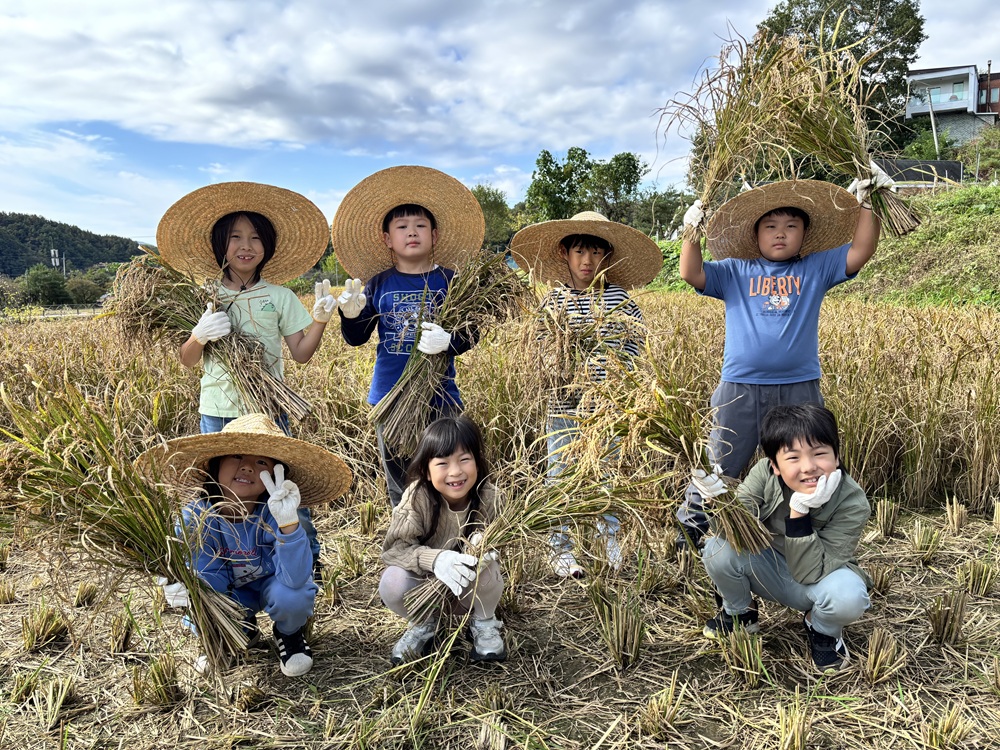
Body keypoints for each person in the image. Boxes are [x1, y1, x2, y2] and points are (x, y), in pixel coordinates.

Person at [675, 172, 893, 550]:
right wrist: (691, 232)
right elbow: (690, 272)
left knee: (804, 463)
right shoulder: (734, 271)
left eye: (791, 226)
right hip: (740, 386)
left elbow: (860, 251)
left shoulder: (815, 268)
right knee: (720, 463)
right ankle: (692, 527)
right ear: (755, 235)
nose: (780, 233)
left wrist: (868, 205)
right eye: (771, 226)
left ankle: (803, 530)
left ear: (803, 235)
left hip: (799, 385)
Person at [157, 181, 338, 565]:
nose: (246, 245)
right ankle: (216, 569)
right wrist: (197, 335)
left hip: (270, 413)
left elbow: (301, 354)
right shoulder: (202, 298)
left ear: (267, 247)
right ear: (220, 244)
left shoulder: (280, 296)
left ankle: (306, 564)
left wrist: (321, 320)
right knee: (214, 494)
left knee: (284, 493)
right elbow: (187, 360)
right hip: (218, 411)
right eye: (236, 236)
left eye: (256, 238)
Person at [138, 413, 353, 676]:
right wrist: (184, 584)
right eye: (237, 456)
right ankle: (235, 631)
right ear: (215, 466)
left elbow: (296, 579)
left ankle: (289, 634)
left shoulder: (277, 512)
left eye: (261, 461)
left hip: (272, 588)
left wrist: (288, 525)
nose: (248, 467)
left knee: (293, 596)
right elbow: (206, 574)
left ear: (276, 475)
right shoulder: (196, 517)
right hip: (229, 595)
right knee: (198, 595)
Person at [510, 211, 661, 578]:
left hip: (607, 405)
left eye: (595, 252)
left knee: (605, 472)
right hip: (563, 405)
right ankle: (558, 547)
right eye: (580, 251)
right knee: (560, 473)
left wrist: (614, 371)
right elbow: (541, 349)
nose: (587, 261)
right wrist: (560, 362)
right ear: (565, 253)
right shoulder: (554, 301)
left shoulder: (619, 299)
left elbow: (635, 344)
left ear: (605, 256)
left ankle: (608, 538)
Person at [330, 166, 486, 507]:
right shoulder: (379, 283)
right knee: (401, 482)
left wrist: (450, 341)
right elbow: (356, 339)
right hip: (389, 398)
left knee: (448, 478)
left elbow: (471, 332)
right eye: (402, 227)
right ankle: (406, 545)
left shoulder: (451, 281)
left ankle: (449, 541)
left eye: (420, 226)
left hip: (441, 397)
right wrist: (351, 315)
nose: (411, 233)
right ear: (388, 239)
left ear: (435, 235)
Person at [696, 403, 871, 673]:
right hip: (767, 567)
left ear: (836, 457)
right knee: (717, 549)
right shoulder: (762, 475)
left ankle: (822, 629)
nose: (809, 467)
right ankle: (740, 614)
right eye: (793, 458)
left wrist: (799, 512)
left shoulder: (852, 501)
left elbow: (811, 572)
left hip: (816, 579)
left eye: (820, 453)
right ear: (774, 465)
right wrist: (718, 502)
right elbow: (731, 531)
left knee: (848, 596)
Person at [379, 416, 506, 665]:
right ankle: (425, 624)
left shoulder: (491, 497)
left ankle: (483, 623)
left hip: (468, 594)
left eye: (464, 459)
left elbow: (502, 543)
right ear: (426, 470)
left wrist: (486, 549)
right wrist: (436, 559)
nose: (455, 471)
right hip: (424, 589)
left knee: (490, 570)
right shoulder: (416, 498)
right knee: (392, 582)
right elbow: (394, 550)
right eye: (442, 463)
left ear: (478, 463)